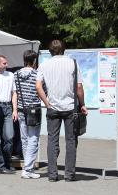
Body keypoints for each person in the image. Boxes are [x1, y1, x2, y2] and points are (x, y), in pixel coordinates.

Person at [36, 39, 86, 182]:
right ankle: (69, 175)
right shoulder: (73, 63)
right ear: (64, 49)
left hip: (53, 107)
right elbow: (79, 88)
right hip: (70, 107)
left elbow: (38, 86)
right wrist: (82, 104)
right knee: (71, 141)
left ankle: (52, 175)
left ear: (50, 51)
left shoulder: (44, 65)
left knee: (52, 140)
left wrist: (46, 103)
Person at [14, 50, 42, 179]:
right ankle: (28, 168)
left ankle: (27, 166)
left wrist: (15, 109)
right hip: (34, 109)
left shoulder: (16, 74)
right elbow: (42, 90)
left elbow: (15, 94)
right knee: (33, 139)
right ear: (34, 60)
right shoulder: (37, 74)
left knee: (25, 139)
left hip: (21, 109)